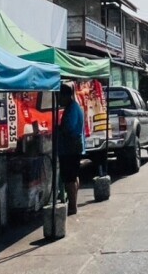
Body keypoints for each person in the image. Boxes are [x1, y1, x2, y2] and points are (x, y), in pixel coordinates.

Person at [57, 83, 85, 216]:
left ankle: (72, 206)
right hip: (71, 148)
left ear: (66, 96)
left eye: (60, 96)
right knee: (73, 177)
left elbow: (69, 128)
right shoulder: (72, 107)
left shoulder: (72, 108)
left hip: (70, 148)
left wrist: (58, 129)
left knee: (70, 178)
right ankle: (73, 204)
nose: (58, 100)